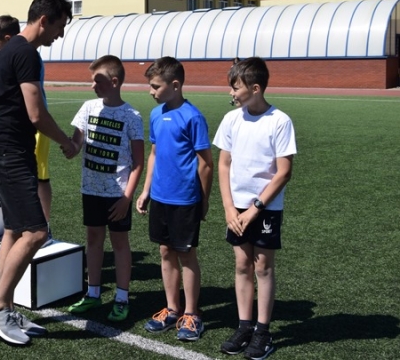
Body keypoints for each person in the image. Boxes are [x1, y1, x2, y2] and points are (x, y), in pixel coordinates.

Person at [0, 0, 78, 346]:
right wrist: (66, 142)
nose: (60, 34)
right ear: (44, 20)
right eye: (60, 26)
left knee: (14, 228)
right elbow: (36, 113)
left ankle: (5, 307)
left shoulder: (13, 51)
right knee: (36, 232)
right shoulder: (26, 54)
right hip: (9, 152)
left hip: (4, 150)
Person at [213, 57, 296, 359]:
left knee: (263, 267)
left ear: (256, 88)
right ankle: (244, 327)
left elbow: (283, 172)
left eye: (236, 87)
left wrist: (255, 208)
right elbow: (224, 165)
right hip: (236, 208)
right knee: (241, 265)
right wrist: (228, 208)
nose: (231, 93)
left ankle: (263, 332)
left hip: (264, 209)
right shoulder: (231, 119)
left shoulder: (280, 121)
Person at [136, 56, 214, 341]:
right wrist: (146, 191)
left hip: (184, 200)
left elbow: (206, 163)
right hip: (160, 197)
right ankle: (172, 309)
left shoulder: (193, 117)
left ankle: (192, 314)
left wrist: (203, 199)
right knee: (165, 252)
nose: (151, 91)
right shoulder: (156, 114)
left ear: (176, 85)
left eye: (156, 86)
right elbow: (154, 154)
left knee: (186, 254)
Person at [67, 55, 144, 322]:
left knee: (120, 244)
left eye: (97, 81)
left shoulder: (132, 116)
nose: (92, 86)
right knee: (93, 240)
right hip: (91, 190)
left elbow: (138, 163)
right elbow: (75, 145)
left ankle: (122, 298)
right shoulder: (88, 107)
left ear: (114, 82)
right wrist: (66, 145)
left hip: (117, 195)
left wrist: (126, 198)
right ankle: (93, 293)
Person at [0, 15, 55, 246]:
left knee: (41, 177)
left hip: (36, 125)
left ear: (7, 38)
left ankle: (45, 227)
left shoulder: (26, 55)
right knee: (29, 181)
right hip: (18, 128)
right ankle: (25, 227)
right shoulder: (19, 53)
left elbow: (33, 103)